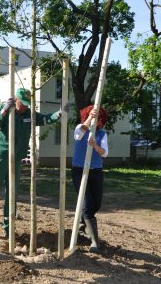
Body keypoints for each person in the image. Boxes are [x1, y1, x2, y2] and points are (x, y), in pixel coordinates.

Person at [0, 87, 68, 239]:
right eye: (22, 103)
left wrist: (59, 113)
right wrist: (4, 111)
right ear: (15, 100)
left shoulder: (28, 114)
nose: (25, 106)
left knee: (12, 194)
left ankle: (8, 228)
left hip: (16, 159)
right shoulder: (4, 108)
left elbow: (44, 119)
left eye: (27, 103)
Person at [71, 105, 108, 253]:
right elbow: (78, 135)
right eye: (94, 117)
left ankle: (82, 225)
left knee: (96, 204)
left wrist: (95, 146)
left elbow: (104, 153)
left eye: (99, 118)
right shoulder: (81, 128)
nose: (96, 121)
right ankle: (94, 242)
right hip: (79, 171)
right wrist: (89, 118)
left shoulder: (102, 134)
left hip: (96, 172)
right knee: (87, 206)